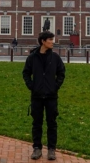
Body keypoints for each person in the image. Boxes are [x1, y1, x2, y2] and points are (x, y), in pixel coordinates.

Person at [22, 31, 65, 161]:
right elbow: (25, 73)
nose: (53, 42)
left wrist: (55, 86)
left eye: (53, 39)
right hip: (37, 96)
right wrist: (32, 86)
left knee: (52, 123)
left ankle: (51, 149)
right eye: (50, 40)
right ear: (43, 41)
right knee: (37, 123)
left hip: (51, 96)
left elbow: (61, 73)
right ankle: (37, 148)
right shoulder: (32, 58)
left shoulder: (55, 58)